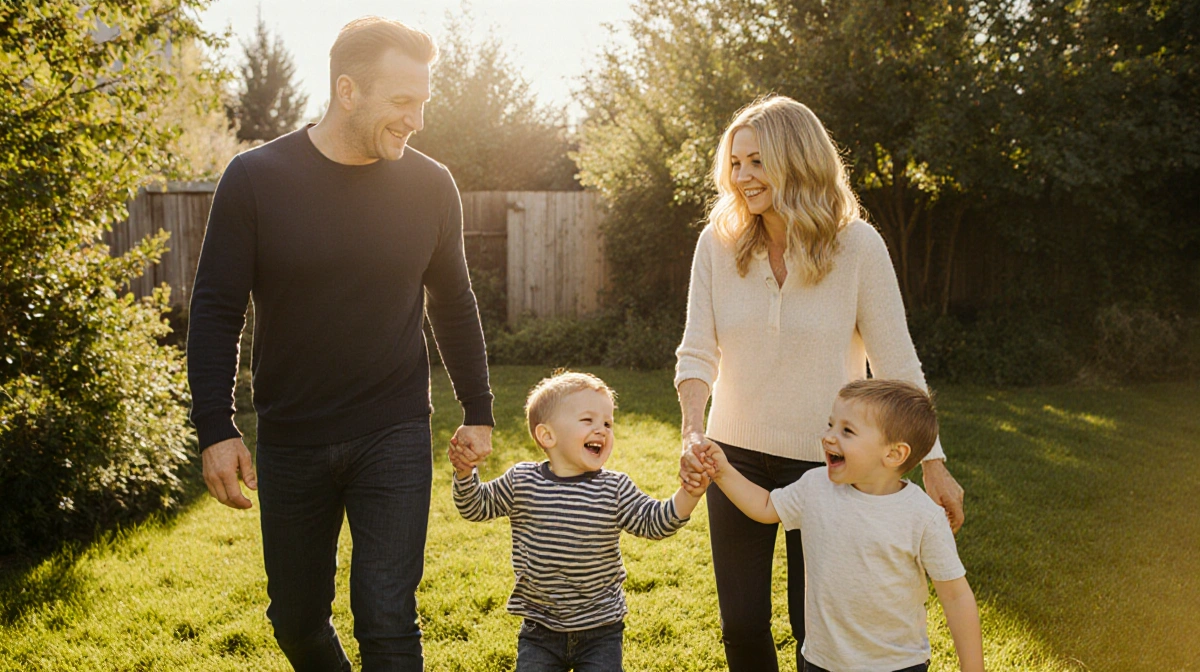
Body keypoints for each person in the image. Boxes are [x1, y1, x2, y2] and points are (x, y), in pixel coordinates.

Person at [187, 17, 494, 672]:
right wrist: (215, 426)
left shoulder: (431, 186)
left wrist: (479, 408)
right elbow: (215, 308)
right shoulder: (255, 178)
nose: (416, 120)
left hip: (394, 429)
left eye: (423, 102)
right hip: (292, 435)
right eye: (402, 101)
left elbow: (454, 301)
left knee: (387, 618)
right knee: (296, 620)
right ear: (347, 90)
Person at [674, 95, 967, 671]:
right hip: (733, 454)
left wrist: (933, 462)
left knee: (815, 625)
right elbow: (696, 350)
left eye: (757, 161)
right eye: (735, 163)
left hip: (830, 459)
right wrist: (692, 432)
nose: (742, 177)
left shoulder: (857, 246)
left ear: (797, 160)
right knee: (741, 623)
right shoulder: (717, 242)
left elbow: (896, 363)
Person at [693, 379, 984, 672]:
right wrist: (723, 472)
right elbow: (767, 506)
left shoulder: (923, 517)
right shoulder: (815, 487)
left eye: (847, 431)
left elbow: (956, 596)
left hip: (896, 665)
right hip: (822, 662)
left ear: (893, 454)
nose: (829, 437)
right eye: (831, 425)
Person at [450, 371, 706, 671]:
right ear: (547, 436)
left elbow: (655, 522)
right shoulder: (522, 482)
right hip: (540, 629)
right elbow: (475, 507)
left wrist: (690, 493)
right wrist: (465, 473)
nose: (602, 430)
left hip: (601, 630)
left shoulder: (614, 488)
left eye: (607, 423)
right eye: (588, 420)